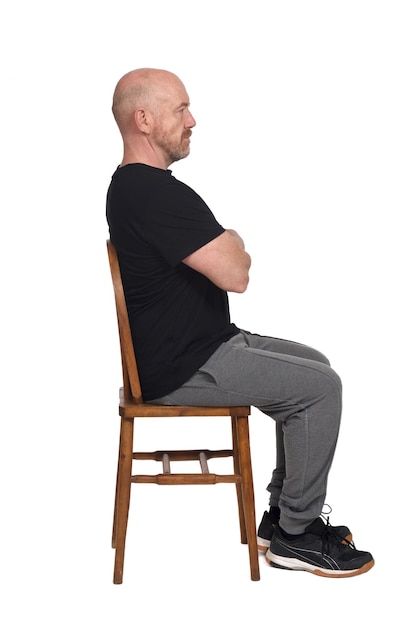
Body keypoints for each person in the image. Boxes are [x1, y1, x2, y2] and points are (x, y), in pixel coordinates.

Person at [106, 68, 374, 578]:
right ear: (144, 119)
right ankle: (297, 535)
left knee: (313, 364)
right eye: (181, 109)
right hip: (183, 366)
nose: (193, 120)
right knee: (321, 388)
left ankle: (278, 518)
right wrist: (230, 239)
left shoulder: (140, 188)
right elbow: (236, 274)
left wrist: (226, 240)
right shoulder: (150, 192)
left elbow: (229, 259)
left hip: (197, 347)